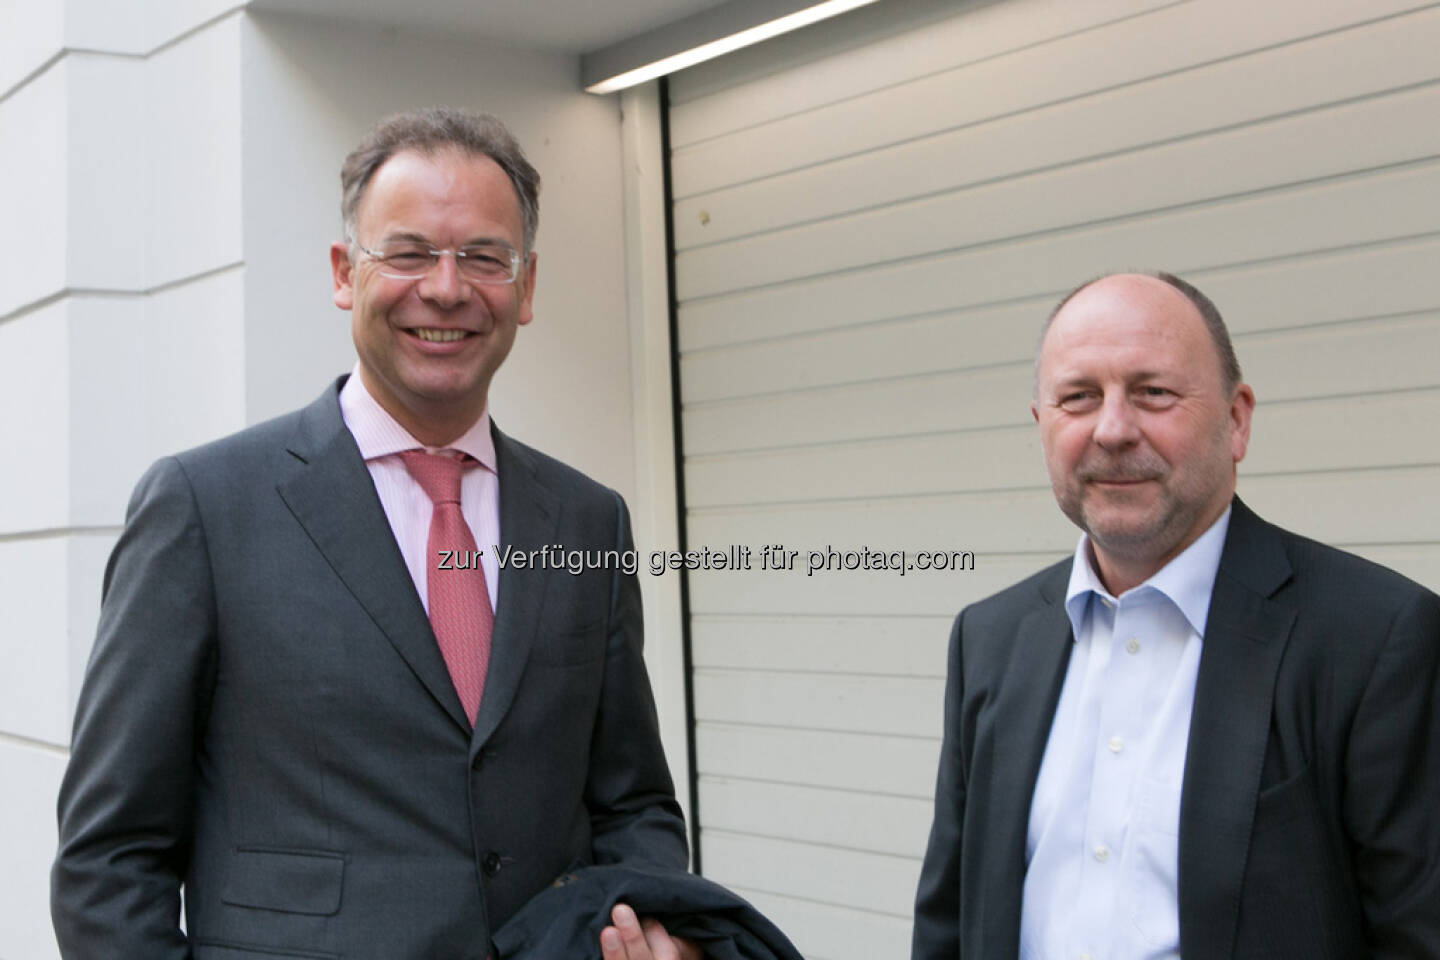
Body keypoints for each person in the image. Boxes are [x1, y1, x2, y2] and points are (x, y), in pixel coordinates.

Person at [52, 108, 701, 960]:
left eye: (483, 256)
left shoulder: (587, 519)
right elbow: (110, 861)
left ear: (527, 286)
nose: (445, 287)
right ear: (343, 273)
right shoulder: (204, 508)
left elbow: (633, 805)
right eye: (407, 252)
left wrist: (656, 922)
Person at [912, 272, 1440, 959]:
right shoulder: (989, 639)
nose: (1112, 429)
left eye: (1153, 392)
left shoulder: (1376, 639)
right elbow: (948, 924)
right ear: (1043, 426)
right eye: (1078, 397)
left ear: (1237, 418)